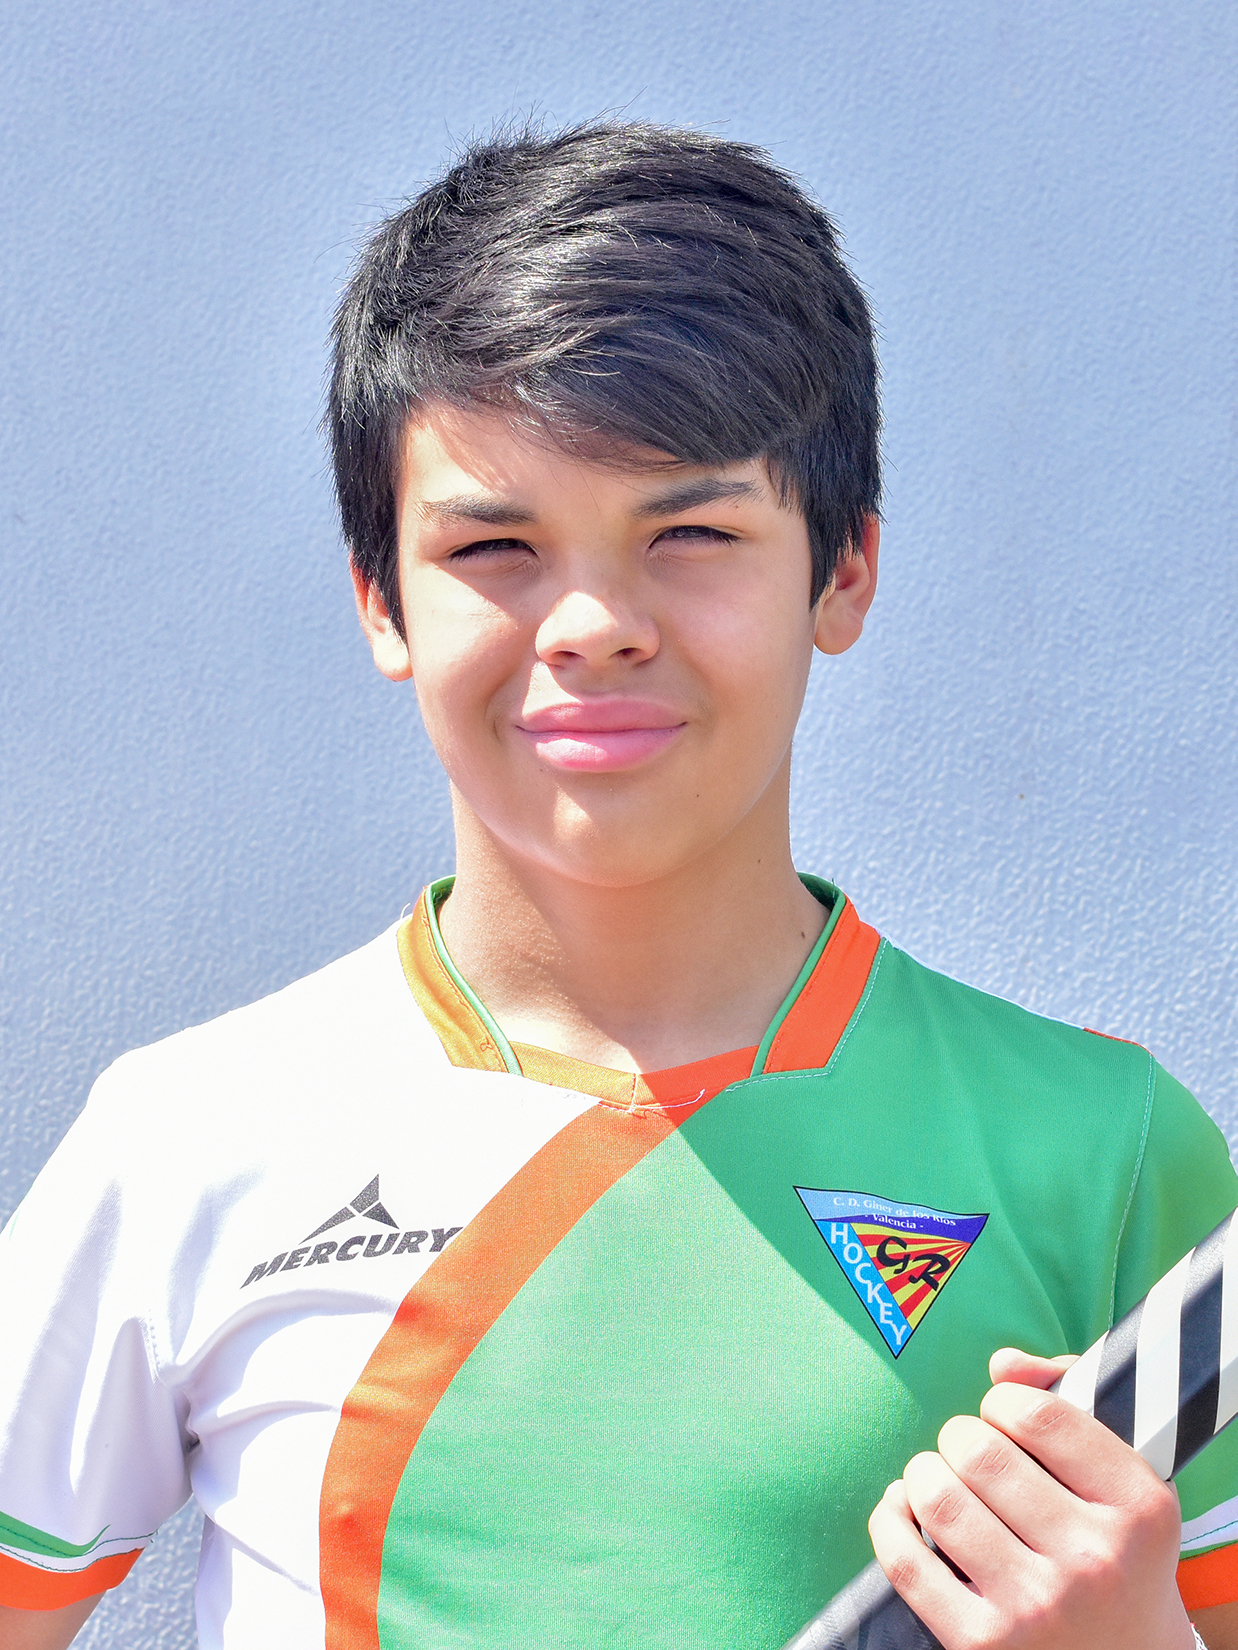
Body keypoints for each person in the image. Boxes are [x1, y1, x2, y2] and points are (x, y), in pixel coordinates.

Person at [0, 121, 1234, 1650]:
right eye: (495, 545)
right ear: (381, 596)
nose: (590, 622)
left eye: (690, 532)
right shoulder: (188, 1141)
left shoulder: (1104, 1153)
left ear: (841, 568)